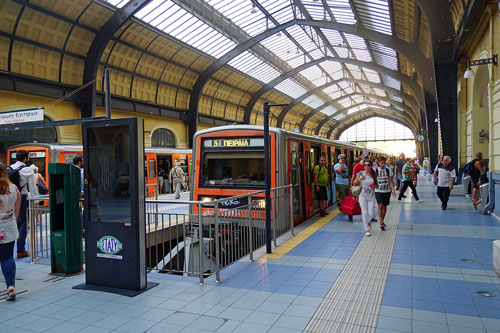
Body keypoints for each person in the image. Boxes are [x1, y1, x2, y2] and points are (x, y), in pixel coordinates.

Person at [8, 150, 36, 258]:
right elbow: (32, 188)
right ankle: (20, 250)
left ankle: (9, 248)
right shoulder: (28, 170)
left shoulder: (10, 168)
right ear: (25, 158)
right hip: (23, 199)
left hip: (10, 197)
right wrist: (34, 202)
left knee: (11, 221)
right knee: (23, 223)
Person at [0, 163, 21, 300]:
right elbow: (16, 211)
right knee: (7, 257)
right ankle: (10, 286)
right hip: (9, 228)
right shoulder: (14, 189)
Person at [353, 160, 378, 236]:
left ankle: (367, 222)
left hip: (371, 196)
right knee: (364, 212)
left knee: (371, 213)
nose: (366, 167)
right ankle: (366, 229)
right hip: (362, 195)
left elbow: (377, 184)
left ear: (371, 166)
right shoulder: (360, 173)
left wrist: (374, 186)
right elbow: (354, 182)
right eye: (365, 165)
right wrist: (360, 179)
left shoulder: (374, 174)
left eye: (368, 165)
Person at [375, 157, 396, 230]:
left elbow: (390, 181)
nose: (383, 164)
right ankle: (381, 221)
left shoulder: (388, 170)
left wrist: (393, 190)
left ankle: (382, 220)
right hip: (378, 191)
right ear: (378, 163)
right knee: (380, 205)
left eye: (384, 163)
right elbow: (374, 180)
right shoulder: (375, 171)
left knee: (384, 206)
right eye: (382, 163)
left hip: (387, 191)